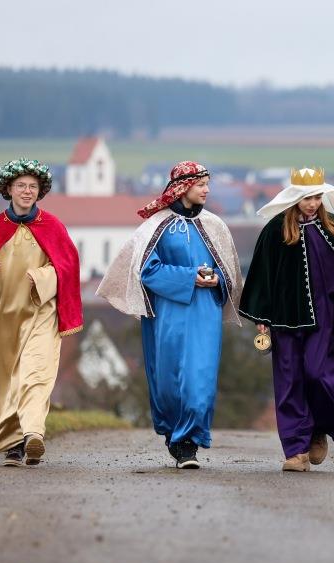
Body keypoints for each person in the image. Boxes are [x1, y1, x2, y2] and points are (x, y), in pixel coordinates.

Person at [97, 161, 242, 469]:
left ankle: (188, 442)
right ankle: (173, 434)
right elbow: (147, 271)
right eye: (201, 184)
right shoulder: (157, 226)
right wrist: (189, 277)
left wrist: (216, 278)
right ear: (183, 187)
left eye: (207, 184)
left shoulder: (215, 225)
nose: (206, 190)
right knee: (168, 379)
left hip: (205, 312)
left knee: (199, 379)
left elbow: (229, 271)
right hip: (168, 313)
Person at [239, 168, 334, 472]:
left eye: (317, 197)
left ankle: (318, 429)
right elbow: (263, 275)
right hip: (284, 318)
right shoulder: (275, 231)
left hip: (327, 318)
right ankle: (295, 450)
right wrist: (262, 315)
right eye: (306, 198)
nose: (313, 203)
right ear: (295, 198)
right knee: (289, 381)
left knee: (318, 374)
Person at [0, 159, 82, 467]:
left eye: (33, 186)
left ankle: (33, 434)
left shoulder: (53, 227)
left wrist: (41, 277)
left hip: (40, 313)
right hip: (0, 316)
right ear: (8, 189)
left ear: (40, 191)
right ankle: (12, 444)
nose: (27, 191)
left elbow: (67, 268)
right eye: (21, 185)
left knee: (36, 373)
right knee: (1, 380)